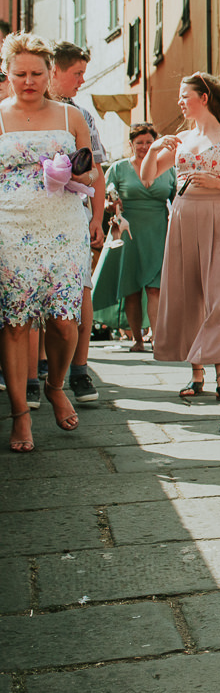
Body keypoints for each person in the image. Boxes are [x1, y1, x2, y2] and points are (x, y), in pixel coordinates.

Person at [1, 34, 97, 450]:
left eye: (36, 73)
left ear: (49, 73)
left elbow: (91, 172)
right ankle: (20, 415)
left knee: (63, 321)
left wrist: (76, 175)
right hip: (9, 229)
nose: (28, 81)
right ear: (7, 73)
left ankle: (56, 385)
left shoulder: (69, 116)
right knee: (16, 321)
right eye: (20, 73)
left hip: (63, 229)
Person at [141, 74, 220, 401]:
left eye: (184, 95)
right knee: (189, 293)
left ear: (203, 97)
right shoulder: (180, 140)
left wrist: (216, 182)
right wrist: (152, 149)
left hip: (217, 215)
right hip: (182, 216)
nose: (180, 101)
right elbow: (148, 178)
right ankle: (197, 376)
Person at [46, 42, 107, 405]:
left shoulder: (82, 115)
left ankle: (80, 370)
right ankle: (39, 372)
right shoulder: (20, 114)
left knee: (82, 290)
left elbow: (97, 171)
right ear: (55, 71)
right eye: (77, 74)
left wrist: (97, 218)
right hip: (32, 215)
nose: (82, 81)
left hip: (74, 213)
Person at [91, 123, 176, 353]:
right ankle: (137, 339)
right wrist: (111, 206)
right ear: (131, 145)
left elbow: (178, 196)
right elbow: (106, 199)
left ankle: (157, 338)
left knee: (155, 288)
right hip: (129, 232)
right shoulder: (118, 169)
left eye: (149, 142)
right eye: (139, 143)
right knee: (132, 288)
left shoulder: (168, 168)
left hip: (158, 231)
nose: (144, 147)